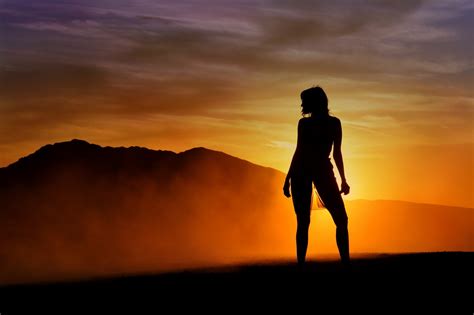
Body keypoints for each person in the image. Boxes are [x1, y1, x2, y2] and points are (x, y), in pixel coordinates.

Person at [283, 86, 350, 266]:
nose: (302, 105)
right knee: (306, 221)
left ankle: (343, 262)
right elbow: (299, 151)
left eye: (304, 101)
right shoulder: (317, 123)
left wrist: (343, 180)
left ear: (313, 103)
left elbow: (336, 153)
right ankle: (305, 265)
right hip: (309, 172)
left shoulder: (325, 123)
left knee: (335, 219)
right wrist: (287, 178)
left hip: (314, 172)